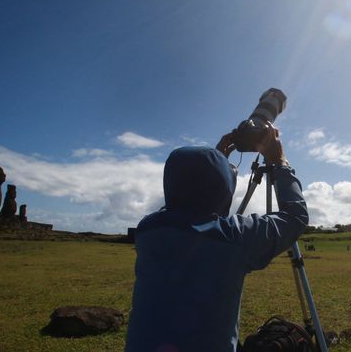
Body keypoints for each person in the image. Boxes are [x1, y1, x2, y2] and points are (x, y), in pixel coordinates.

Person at [125, 128, 308, 352]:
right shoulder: (235, 238)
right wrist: (280, 161)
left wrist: (215, 162)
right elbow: (295, 217)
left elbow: (200, 200)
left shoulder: (148, 230)